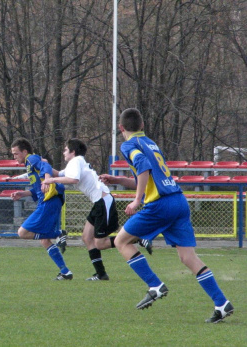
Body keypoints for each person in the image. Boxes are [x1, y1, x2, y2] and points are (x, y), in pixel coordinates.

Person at [99, 108, 233, 323]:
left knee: (121, 241)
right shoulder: (150, 143)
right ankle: (222, 303)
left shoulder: (128, 144)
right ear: (142, 125)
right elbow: (149, 176)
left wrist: (136, 200)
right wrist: (120, 181)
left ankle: (155, 285)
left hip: (160, 205)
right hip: (178, 201)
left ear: (121, 128)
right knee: (187, 257)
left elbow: (143, 168)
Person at [43, 139, 152, 281]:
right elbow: (59, 174)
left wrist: (50, 180)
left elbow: (73, 180)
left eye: (65, 149)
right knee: (87, 238)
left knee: (100, 243)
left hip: (103, 201)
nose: (63, 152)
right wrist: (43, 165)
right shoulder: (76, 162)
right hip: (99, 202)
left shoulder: (75, 161)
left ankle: (137, 238)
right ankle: (101, 274)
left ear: (73, 152)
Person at [10, 138, 73, 280]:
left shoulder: (31, 158)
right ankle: (65, 272)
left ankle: (57, 234)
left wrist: (47, 180)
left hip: (48, 202)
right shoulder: (29, 165)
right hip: (50, 201)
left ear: (25, 151)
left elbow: (46, 167)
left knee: (22, 232)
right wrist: (23, 194)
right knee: (44, 240)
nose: (14, 157)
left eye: (16, 153)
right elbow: (37, 189)